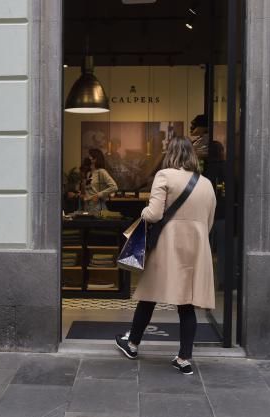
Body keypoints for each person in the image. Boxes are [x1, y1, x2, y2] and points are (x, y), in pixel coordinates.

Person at [115, 136, 216, 375]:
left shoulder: (164, 176)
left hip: (168, 244)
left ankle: (132, 344)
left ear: (170, 153)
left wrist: (142, 210)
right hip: (196, 246)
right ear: (192, 155)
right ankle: (184, 358)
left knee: (149, 295)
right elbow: (209, 221)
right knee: (187, 302)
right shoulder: (206, 183)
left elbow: (153, 214)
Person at [79, 149, 118, 214]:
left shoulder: (101, 172)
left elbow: (114, 187)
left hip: (97, 206)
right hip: (87, 206)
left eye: (90, 156)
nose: (88, 157)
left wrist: (98, 195)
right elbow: (89, 190)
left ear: (95, 158)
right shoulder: (88, 173)